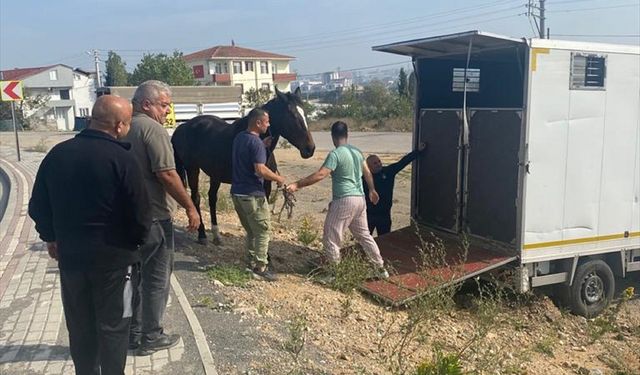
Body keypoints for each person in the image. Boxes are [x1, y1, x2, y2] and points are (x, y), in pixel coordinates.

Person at [29, 95, 151, 375]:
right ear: (119, 125)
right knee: (115, 327)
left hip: (71, 260)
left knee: (81, 327)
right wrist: (136, 244)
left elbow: (37, 205)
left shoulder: (57, 155)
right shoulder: (123, 159)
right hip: (117, 262)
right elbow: (141, 214)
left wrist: (51, 237)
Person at [125, 80, 200, 356]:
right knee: (156, 278)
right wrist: (191, 207)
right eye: (164, 105)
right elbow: (167, 174)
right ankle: (152, 336)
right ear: (147, 104)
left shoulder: (122, 127)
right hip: (155, 217)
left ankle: (133, 333)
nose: (167, 111)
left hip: (129, 218)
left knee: (135, 277)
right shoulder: (152, 129)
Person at [286, 121, 388, 278]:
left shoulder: (335, 154)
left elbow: (321, 174)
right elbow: (367, 172)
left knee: (331, 236)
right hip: (360, 200)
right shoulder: (357, 152)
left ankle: (333, 273)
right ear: (347, 134)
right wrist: (372, 190)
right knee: (364, 236)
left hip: (344, 200)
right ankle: (380, 268)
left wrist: (297, 184)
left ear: (333, 136)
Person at [231, 108, 285, 282]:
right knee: (262, 231)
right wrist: (278, 178)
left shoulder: (241, 138)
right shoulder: (256, 144)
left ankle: (250, 261)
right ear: (258, 123)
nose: (268, 125)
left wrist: (262, 145)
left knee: (251, 230)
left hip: (238, 193)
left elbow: (248, 155)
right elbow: (260, 169)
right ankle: (261, 267)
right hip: (253, 194)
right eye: (267, 122)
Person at [364, 143, 426, 236]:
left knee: (385, 239)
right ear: (368, 167)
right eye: (375, 163)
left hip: (384, 215)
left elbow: (403, 162)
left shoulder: (388, 172)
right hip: (369, 215)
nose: (378, 164)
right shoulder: (363, 178)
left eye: (379, 161)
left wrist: (418, 151)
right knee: (365, 240)